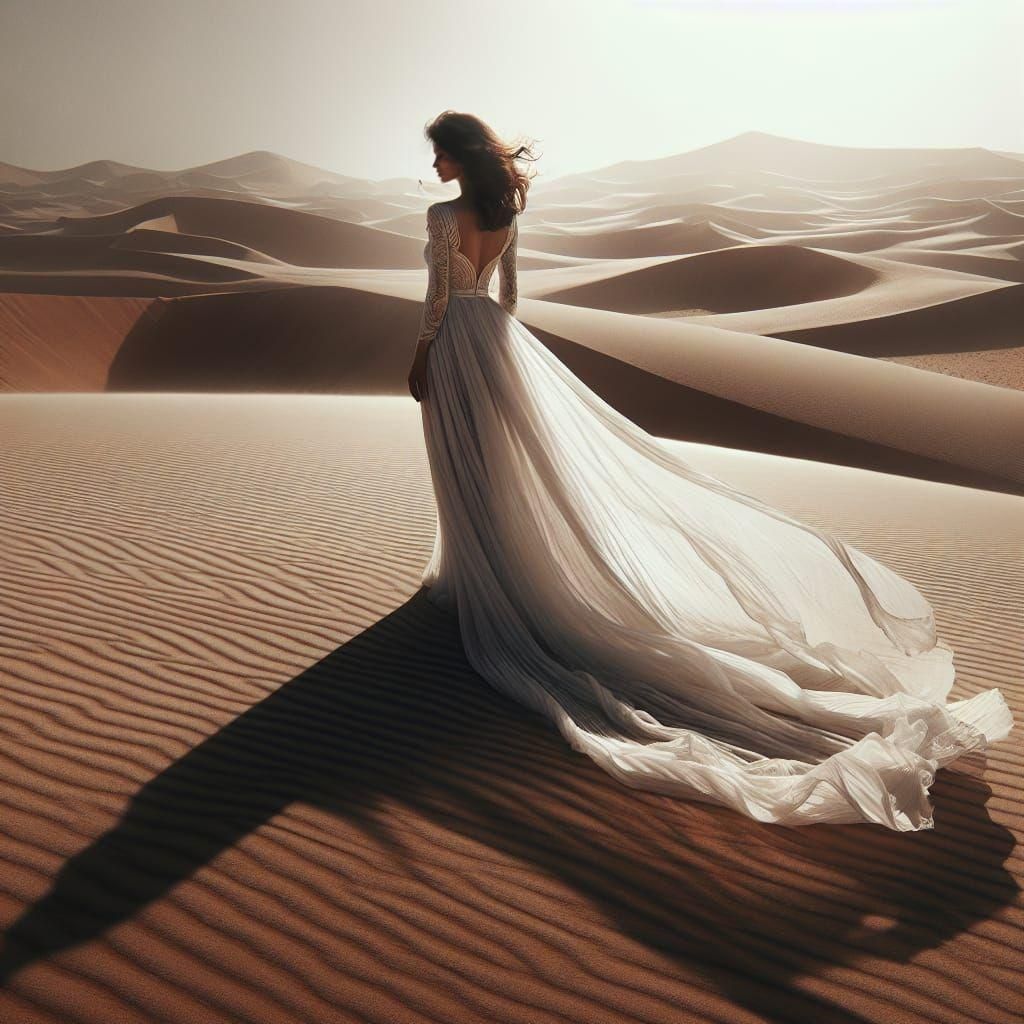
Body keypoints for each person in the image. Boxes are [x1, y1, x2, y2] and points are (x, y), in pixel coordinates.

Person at [406, 110, 1014, 832]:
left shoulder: (444, 217)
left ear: (457, 155)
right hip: (503, 346)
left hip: (456, 344)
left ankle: (485, 578)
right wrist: (503, 347)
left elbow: (441, 298)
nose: (435, 166)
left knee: (468, 462)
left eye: (439, 154)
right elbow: (507, 296)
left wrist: (423, 355)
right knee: (505, 467)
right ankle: (494, 569)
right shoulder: (505, 214)